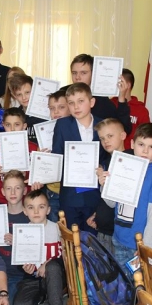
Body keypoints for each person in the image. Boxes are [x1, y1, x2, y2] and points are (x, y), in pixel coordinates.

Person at [102, 123, 152, 273]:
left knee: (140, 285)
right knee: (123, 284)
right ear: (132, 144)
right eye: (141, 144)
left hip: (139, 244)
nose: (145, 151)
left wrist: (146, 247)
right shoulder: (125, 167)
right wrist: (105, 185)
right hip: (119, 238)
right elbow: (111, 203)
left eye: (151, 147)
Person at [53, 83, 105, 231]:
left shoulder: (103, 124)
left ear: (92, 102)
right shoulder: (62, 125)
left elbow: (109, 154)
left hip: (95, 195)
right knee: (71, 237)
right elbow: (57, 156)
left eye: (81, 101)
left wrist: (102, 168)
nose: (76, 107)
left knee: (93, 239)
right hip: (70, 196)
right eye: (71, 103)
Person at [20, 189, 65, 305]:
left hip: (56, 277)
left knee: (52, 267)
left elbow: (66, 256)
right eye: (31, 207)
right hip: (35, 279)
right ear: (25, 211)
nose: (36, 211)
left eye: (41, 207)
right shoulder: (22, 232)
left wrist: (48, 262)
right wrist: (26, 268)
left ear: (48, 209)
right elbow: (21, 260)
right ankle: (41, 298)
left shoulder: (57, 229)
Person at [87, 118, 129, 254]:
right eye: (102, 138)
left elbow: (116, 201)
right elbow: (106, 199)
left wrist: (104, 184)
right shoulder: (106, 161)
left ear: (123, 136)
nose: (106, 141)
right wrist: (98, 214)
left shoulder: (129, 162)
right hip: (103, 229)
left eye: (110, 136)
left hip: (117, 233)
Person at [64, 54, 132, 135]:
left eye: (83, 73)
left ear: (93, 74)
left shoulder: (102, 101)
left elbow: (124, 129)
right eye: (74, 73)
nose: (77, 77)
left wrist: (121, 98)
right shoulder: (63, 93)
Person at [0, 170, 31, 305]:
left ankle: (37, 298)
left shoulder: (30, 216)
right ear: (3, 191)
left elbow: (37, 246)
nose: (13, 192)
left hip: (19, 274)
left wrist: (19, 241)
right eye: (9, 188)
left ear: (24, 191)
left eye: (17, 188)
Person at [0, 108, 39, 204]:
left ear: (24, 126)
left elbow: (38, 179)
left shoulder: (34, 148)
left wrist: (26, 175)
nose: (12, 129)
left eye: (17, 124)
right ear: (3, 125)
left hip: (26, 200)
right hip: (1, 199)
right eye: (8, 125)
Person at [44, 90, 70, 221]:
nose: (56, 112)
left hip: (70, 191)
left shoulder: (74, 131)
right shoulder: (44, 133)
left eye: (61, 107)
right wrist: (41, 157)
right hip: (53, 190)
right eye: (52, 108)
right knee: (55, 226)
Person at [111, 68, 151, 150]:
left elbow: (146, 136)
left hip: (132, 152)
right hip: (111, 151)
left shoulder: (141, 110)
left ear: (128, 85)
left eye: (119, 83)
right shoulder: (110, 104)